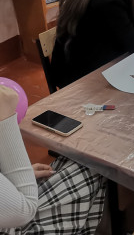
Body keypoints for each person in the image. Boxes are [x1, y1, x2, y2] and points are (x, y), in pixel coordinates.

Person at [0, 85, 106, 234]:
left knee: (75, 161)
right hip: (17, 221)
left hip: (12, 213)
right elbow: (25, 212)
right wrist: (5, 120)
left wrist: (12, 176)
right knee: (93, 165)